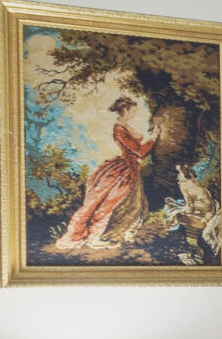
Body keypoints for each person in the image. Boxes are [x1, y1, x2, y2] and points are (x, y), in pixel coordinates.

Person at [61, 95, 153, 244]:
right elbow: (139, 152)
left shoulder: (126, 126)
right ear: (125, 111)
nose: (135, 114)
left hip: (132, 168)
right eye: (133, 111)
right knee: (108, 203)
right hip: (125, 170)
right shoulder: (119, 130)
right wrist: (153, 139)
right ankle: (95, 236)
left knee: (137, 204)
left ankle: (124, 233)